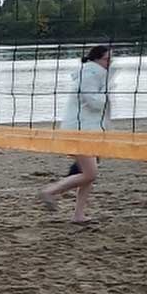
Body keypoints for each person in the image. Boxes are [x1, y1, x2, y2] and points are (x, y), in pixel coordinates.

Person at [40, 45, 113, 224]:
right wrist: (108, 92)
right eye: (107, 59)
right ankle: (50, 191)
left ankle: (78, 215)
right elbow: (94, 102)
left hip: (91, 131)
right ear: (96, 59)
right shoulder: (89, 75)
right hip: (80, 132)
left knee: (86, 174)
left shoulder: (97, 75)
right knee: (90, 174)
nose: (110, 63)